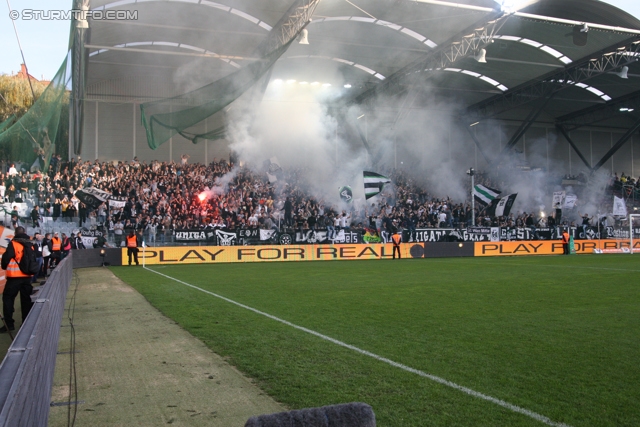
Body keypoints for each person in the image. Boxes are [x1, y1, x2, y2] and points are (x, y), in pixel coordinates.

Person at [0, 226, 34, 332]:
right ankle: (25, 324)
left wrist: (4, 266)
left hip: (14, 277)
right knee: (26, 301)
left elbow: (6, 258)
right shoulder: (30, 244)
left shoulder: (13, 244)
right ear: (24, 232)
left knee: (8, 299)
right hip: (27, 277)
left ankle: (9, 324)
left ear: (15, 233)